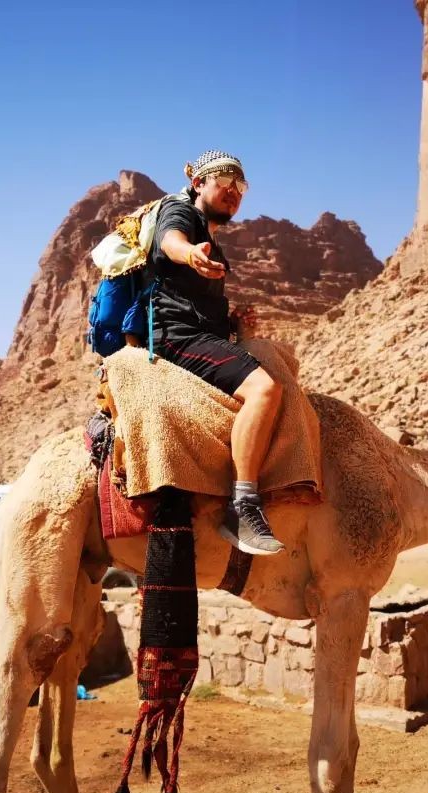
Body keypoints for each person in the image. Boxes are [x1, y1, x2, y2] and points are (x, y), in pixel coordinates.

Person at [125, 150, 283, 555]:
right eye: (224, 184)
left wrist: (233, 323)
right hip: (175, 336)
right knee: (264, 390)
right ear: (199, 183)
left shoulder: (211, 237)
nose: (233, 194)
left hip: (197, 333)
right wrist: (190, 253)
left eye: (240, 188)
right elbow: (171, 241)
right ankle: (243, 504)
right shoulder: (181, 214)